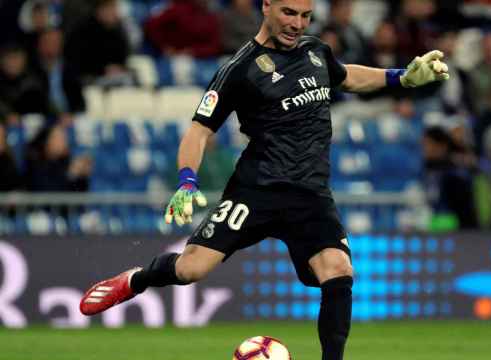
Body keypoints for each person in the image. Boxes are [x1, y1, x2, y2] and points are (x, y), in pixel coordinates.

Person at [78, 1, 449, 359]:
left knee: (337, 270)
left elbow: (347, 76)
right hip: (256, 190)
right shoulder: (239, 68)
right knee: (191, 269)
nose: (297, 24)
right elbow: (198, 131)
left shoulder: (316, 51)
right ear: (267, 7)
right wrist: (187, 181)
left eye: (305, 15)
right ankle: (136, 280)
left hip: (310, 194)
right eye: (289, 13)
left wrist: (401, 77)